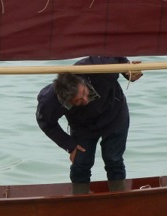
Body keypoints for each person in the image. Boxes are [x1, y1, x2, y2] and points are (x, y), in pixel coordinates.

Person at [36, 56, 143, 195]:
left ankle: (119, 199)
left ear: (83, 82)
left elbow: (117, 57)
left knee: (113, 159)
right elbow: (46, 123)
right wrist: (69, 145)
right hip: (82, 125)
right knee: (80, 163)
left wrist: (129, 71)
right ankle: (79, 201)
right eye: (79, 101)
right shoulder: (50, 101)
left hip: (114, 114)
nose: (85, 100)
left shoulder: (98, 65)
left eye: (85, 94)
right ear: (66, 101)